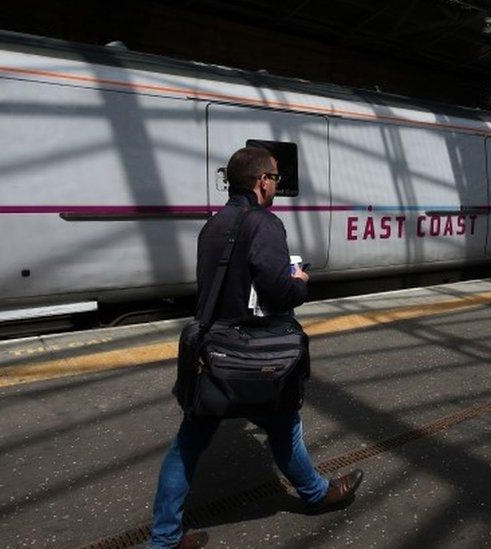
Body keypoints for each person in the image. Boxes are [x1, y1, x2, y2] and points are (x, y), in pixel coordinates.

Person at [149, 147, 363, 549]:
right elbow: (279, 293)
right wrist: (298, 279)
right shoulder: (264, 224)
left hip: (213, 352)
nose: (277, 186)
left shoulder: (212, 226)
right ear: (262, 181)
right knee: (285, 425)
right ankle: (316, 495)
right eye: (276, 178)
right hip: (255, 353)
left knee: (188, 445)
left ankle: (163, 539)